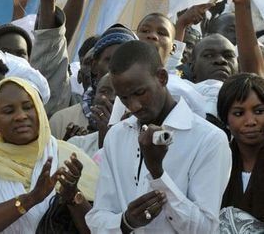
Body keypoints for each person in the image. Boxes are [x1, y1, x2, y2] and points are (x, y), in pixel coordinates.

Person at [86, 40, 232, 233]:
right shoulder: (116, 136)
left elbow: (204, 228)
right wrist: (126, 221)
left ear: (162, 77)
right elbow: (98, 217)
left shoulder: (209, 140)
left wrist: (158, 174)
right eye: (124, 98)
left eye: (140, 92)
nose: (134, 105)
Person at [0, 77, 99, 234]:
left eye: (28, 107)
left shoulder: (69, 156)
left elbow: (100, 228)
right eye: (9, 111)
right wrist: (31, 199)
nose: (21, 116)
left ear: (40, 111)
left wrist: (73, 196)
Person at [216, 73, 264, 228]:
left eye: (259, 111)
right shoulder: (215, 161)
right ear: (226, 119)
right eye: (238, 113)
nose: (250, 122)